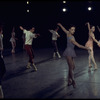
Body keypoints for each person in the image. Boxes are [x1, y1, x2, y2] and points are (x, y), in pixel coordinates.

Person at [57, 23, 90, 88]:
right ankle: (73, 81)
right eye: (72, 30)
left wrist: (60, 25)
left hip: (71, 51)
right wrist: (86, 48)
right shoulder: (71, 38)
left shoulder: (67, 33)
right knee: (71, 67)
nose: (73, 31)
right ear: (69, 30)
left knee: (73, 67)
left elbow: (64, 29)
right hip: (69, 52)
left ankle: (69, 80)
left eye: (74, 30)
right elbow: (78, 45)